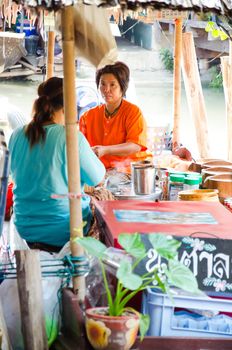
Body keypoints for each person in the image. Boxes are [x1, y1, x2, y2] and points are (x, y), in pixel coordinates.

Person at [8, 77, 105, 251]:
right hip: (65, 231)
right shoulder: (70, 136)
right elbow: (97, 178)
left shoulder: (16, 135)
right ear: (67, 106)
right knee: (102, 207)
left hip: (24, 229)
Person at [79, 61, 151, 172]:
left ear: (122, 87)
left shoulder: (133, 112)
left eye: (112, 85)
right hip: (100, 171)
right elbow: (81, 146)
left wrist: (105, 150)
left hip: (131, 170)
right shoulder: (87, 116)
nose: (106, 89)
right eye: (102, 84)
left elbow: (135, 146)